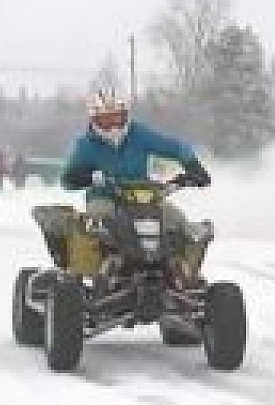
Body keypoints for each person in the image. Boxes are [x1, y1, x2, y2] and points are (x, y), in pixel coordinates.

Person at [56, 89, 211, 283]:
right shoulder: (86, 145)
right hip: (105, 196)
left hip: (144, 197)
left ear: (126, 116)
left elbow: (175, 147)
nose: (113, 127)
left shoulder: (140, 134)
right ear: (94, 120)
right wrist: (85, 177)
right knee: (96, 221)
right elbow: (67, 179)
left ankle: (183, 273)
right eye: (105, 121)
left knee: (178, 221)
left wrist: (193, 166)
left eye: (117, 119)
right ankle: (98, 271)